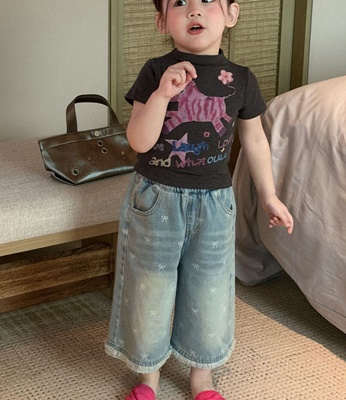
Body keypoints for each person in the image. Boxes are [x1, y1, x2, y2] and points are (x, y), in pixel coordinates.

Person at [105, 0, 294, 399]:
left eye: (207, 0)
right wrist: (161, 94)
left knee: (209, 288)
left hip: (214, 202)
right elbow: (139, 141)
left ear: (231, 14)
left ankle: (202, 378)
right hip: (155, 200)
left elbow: (255, 141)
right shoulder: (155, 71)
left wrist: (270, 195)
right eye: (179, 3)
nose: (194, 10)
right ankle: (148, 377)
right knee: (150, 287)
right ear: (162, 21)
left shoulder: (241, 79)